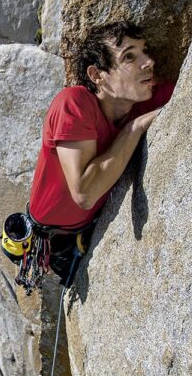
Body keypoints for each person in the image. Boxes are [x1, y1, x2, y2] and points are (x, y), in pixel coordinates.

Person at [27, 20, 175, 284]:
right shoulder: (73, 103)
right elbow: (85, 193)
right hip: (52, 239)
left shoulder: (148, 97)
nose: (148, 62)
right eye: (129, 56)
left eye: (145, 51)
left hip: (91, 224)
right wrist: (135, 128)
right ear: (97, 75)